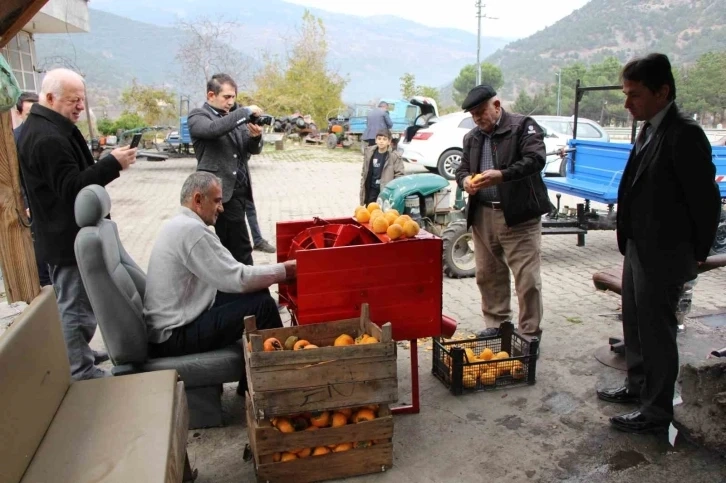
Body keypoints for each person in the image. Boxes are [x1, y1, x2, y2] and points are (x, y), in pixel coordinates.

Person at [597, 53, 721, 434]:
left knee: (657, 332)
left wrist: (696, 254)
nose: (626, 103)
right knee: (634, 323)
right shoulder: (648, 127)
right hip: (637, 246)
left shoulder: (685, 133)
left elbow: (706, 201)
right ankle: (637, 388)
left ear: (662, 91)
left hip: (665, 253)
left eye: (634, 95)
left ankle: (656, 411)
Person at [17, 68, 137, 380]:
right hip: (65, 237)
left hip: (65, 234)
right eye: (74, 100)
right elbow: (72, 189)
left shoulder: (53, 127)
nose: (80, 106)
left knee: (80, 303)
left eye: (82, 100)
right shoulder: (47, 137)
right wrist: (113, 165)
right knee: (74, 308)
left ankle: (79, 352)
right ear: (50, 97)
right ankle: (79, 369)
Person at [143, 172, 295, 392]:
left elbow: (233, 277)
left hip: (176, 323)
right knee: (263, 306)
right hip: (173, 337)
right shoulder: (192, 231)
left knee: (259, 295)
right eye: (216, 201)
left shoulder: (179, 224)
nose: (221, 208)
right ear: (197, 200)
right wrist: (286, 271)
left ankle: (252, 384)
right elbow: (238, 278)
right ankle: (281, 383)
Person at [455, 85, 550, 340]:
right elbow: (462, 168)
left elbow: (535, 160)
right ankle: (497, 325)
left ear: (496, 106)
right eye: (473, 114)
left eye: (481, 111)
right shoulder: (472, 138)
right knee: (488, 274)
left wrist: (503, 176)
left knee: (527, 279)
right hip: (483, 216)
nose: (477, 118)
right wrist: (464, 181)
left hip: (518, 216)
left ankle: (530, 333)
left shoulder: (523, 127)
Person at [188, 73, 270, 265]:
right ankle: (251, 291)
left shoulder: (232, 118)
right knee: (239, 248)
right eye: (226, 97)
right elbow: (213, 130)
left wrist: (256, 137)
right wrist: (244, 112)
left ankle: (232, 287)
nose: (231, 102)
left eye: (234, 97)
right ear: (210, 95)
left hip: (241, 191)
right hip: (219, 193)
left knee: (231, 247)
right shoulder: (199, 116)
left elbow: (250, 150)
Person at [12, 92, 50, 287]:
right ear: (18, 113)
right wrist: (25, 204)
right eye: (28, 114)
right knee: (40, 258)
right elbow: (14, 178)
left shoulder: (48, 135)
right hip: (30, 209)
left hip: (50, 206)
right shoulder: (13, 140)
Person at [360, 129, 405, 205]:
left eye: (384, 139)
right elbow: (364, 171)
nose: (381, 141)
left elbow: (399, 175)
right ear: (375, 140)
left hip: (385, 191)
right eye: (379, 139)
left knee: (384, 213)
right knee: (371, 210)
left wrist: (393, 190)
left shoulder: (394, 156)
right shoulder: (369, 153)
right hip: (371, 189)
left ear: (389, 142)